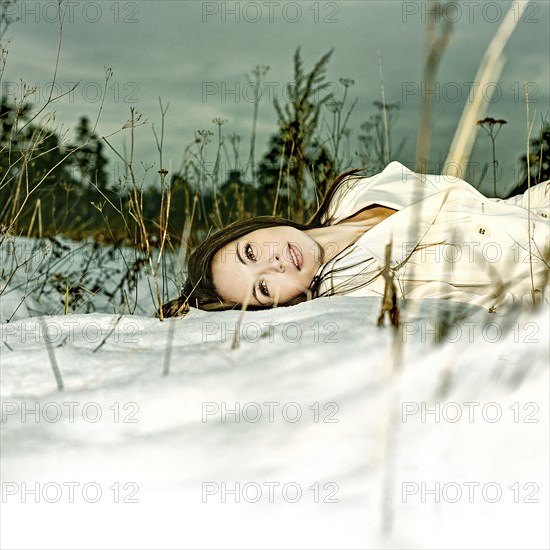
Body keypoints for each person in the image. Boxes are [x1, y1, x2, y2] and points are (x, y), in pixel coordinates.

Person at [162, 161, 549, 317]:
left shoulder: (351, 194)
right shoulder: (355, 294)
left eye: (250, 252)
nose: (274, 263)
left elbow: (489, 209)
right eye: (263, 287)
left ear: (253, 228)